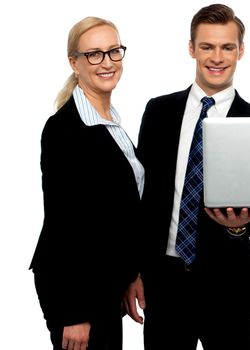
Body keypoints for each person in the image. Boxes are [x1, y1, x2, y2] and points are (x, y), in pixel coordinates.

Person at [123, 4, 250, 350]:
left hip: (229, 285)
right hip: (164, 284)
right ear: (191, 49)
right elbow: (143, 201)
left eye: (227, 47)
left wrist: (240, 225)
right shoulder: (158, 112)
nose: (216, 57)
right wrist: (134, 272)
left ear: (240, 51)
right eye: (207, 47)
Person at [29, 17, 143, 350]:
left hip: (105, 287)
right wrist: (73, 313)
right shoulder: (65, 130)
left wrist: (131, 273)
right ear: (74, 63)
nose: (107, 62)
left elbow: (117, 213)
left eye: (114, 51)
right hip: (77, 295)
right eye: (94, 54)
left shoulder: (111, 122)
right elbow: (64, 224)